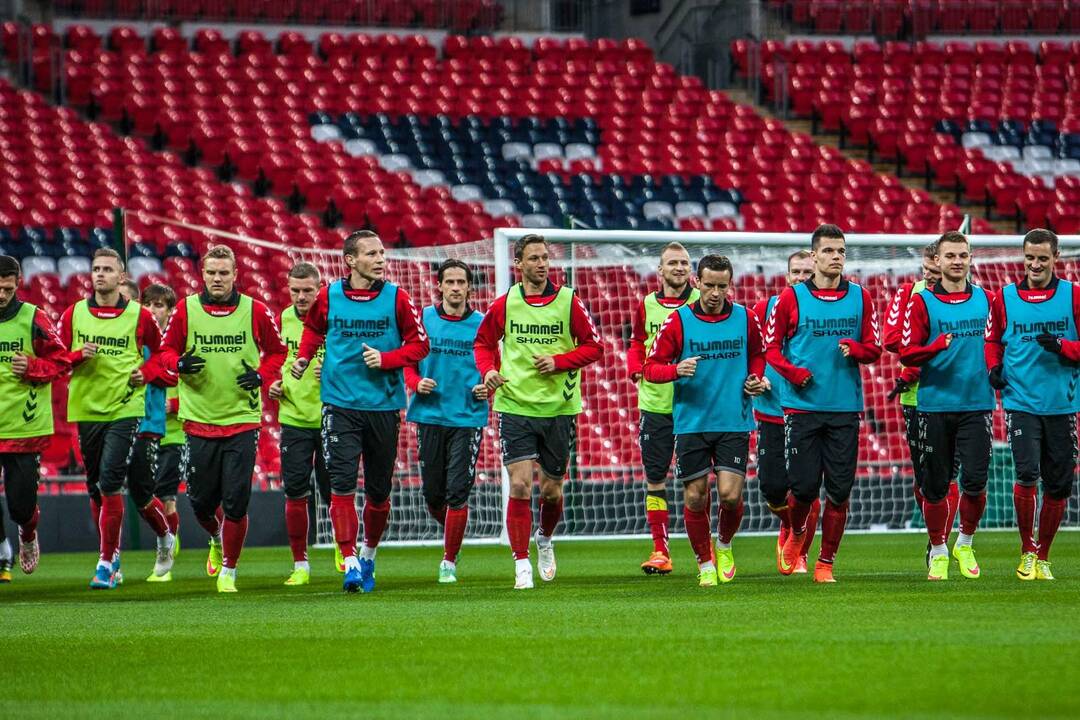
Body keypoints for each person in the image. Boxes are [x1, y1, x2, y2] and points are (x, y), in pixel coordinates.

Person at [292, 230, 429, 594]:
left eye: (382, 252)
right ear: (350, 260)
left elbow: (420, 345)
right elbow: (313, 330)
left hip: (383, 406)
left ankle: (368, 553)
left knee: (379, 491)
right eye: (372, 253)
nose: (381, 259)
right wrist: (304, 357)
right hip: (340, 404)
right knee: (341, 483)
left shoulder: (398, 298)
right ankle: (349, 559)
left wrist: (387, 360)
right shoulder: (329, 296)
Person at [473, 233, 603, 590]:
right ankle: (521, 563)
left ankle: (544, 538)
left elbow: (595, 347)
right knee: (518, 485)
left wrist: (559, 362)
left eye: (545, 257)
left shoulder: (568, 302)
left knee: (551, 491)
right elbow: (483, 344)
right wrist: (488, 372)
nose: (541, 263)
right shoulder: (505, 304)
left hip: (559, 408)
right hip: (514, 404)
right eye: (533, 258)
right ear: (518, 264)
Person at [158, 245, 287, 593]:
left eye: (224, 273)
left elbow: (278, 352)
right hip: (199, 420)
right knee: (200, 502)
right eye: (212, 272)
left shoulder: (254, 310)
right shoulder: (185, 310)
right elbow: (166, 352)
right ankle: (215, 537)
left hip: (242, 420)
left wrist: (261, 374)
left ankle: (229, 568)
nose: (217, 278)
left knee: (236, 499)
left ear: (235, 275)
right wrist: (178, 364)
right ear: (203, 274)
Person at [765, 224, 881, 583]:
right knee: (801, 489)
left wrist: (858, 350)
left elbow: (874, 348)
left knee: (840, 490)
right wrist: (793, 373)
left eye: (841, 251)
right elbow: (770, 349)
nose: (836, 257)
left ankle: (825, 563)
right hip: (802, 408)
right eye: (829, 251)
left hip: (845, 408)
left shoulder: (861, 297)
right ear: (813, 255)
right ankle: (798, 530)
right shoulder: (791, 298)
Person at [644, 255, 766, 586]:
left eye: (721, 286)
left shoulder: (745, 318)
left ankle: (724, 544)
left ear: (730, 285)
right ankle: (705, 562)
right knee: (696, 496)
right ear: (697, 282)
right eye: (709, 285)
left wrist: (755, 377)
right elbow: (650, 367)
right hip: (692, 423)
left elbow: (758, 354)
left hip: (734, 420)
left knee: (729, 495)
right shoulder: (678, 321)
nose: (715, 293)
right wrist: (675, 370)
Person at [59, 248, 164, 589]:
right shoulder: (73, 314)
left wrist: (145, 373)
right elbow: (57, 358)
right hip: (87, 408)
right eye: (95, 268)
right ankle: (120, 551)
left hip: (126, 408)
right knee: (95, 486)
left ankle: (105, 562)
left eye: (107, 269)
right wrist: (77, 355)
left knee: (109, 480)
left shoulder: (140, 316)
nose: (99, 274)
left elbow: (163, 355)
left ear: (121, 277)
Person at [985, 228, 1080, 581]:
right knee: (1027, 473)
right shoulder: (1004, 298)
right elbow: (992, 339)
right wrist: (993, 367)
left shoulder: (1073, 297)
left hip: (1062, 404)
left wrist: (1063, 347)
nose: (1036, 264)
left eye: (1042, 258)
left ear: (1056, 258)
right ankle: (1027, 549)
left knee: (1058, 484)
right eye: (1030, 258)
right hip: (1021, 402)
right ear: (1023, 258)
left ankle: (1044, 556)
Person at [899, 231, 994, 581]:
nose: (957, 261)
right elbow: (906, 352)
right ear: (937, 262)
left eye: (963, 255)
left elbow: (999, 343)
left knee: (976, 481)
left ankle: (964, 541)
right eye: (950, 255)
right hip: (934, 405)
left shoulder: (987, 299)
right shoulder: (922, 302)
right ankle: (938, 548)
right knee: (936, 487)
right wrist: (935, 347)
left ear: (970, 259)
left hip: (977, 404)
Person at [405, 259, 488, 584]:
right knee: (432, 496)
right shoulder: (423, 319)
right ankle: (456, 529)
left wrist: (487, 384)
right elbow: (408, 362)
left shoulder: (482, 324)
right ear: (439, 285)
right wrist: (414, 383)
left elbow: (492, 364)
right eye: (449, 282)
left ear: (469, 287)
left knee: (458, 492)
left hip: (467, 417)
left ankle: (448, 561)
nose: (455, 287)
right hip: (429, 415)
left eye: (461, 282)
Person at [883, 243, 958, 564]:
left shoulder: (963, 297)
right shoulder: (907, 293)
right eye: (926, 271)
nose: (929, 277)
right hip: (915, 396)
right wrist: (924, 348)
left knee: (949, 475)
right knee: (925, 477)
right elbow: (890, 338)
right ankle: (935, 535)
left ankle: (939, 542)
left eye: (935, 272)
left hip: (955, 394)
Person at [627, 242, 698, 575]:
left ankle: (703, 546)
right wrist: (634, 368)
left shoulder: (702, 303)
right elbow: (637, 342)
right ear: (660, 270)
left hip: (695, 405)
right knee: (655, 477)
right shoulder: (647, 305)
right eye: (673, 263)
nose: (679, 268)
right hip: (655, 404)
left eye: (684, 262)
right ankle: (660, 550)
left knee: (697, 482)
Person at [0, 256, 69, 581]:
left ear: (18, 282)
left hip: (24, 429)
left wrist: (31, 367)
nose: (1, 294)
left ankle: (27, 533)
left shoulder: (33, 318)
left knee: (20, 506)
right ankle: (3, 551)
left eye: (7, 288)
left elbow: (61, 362)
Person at [752, 250, 818, 574]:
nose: (802, 277)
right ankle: (792, 525)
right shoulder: (765, 309)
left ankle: (801, 548)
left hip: (808, 412)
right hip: (771, 412)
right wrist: (756, 378)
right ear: (787, 275)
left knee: (808, 486)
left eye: (808, 271)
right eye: (797, 271)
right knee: (773, 489)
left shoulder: (822, 311)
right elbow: (751, 353)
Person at [268, 262, 331, 587]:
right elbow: (274, 361)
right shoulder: (282, 320)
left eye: (308, 290)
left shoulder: (334, 317)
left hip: (332, 416)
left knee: (335, 491)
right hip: (293, 417)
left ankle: (341, 548)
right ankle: (300, 563)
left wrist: (332, 370)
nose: (302, 296)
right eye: (296, 290)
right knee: (295, 490)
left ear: (320, 288)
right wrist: (273, 384)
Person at [118, 281, 177, 583]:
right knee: (105, 490)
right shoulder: (114, 335)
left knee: (149, 494)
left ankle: (166, 539)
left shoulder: (159, 340)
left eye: (158, 305)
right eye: (147, 304)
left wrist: (148, 373)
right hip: (111, 419)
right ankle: (109, 560)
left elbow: (174, 372)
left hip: (151, 424)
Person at [142, 284, 183, 564]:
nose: (153, 310)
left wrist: (175, 405)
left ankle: (166, 553)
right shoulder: (140, 340)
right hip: (147, 428)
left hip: (175, 432)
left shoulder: (180, 340)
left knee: (167, 495)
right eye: (149, 304)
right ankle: (167, 537)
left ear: (170, 311)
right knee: (149, 493)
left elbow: (196, 380)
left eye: (159, 306)